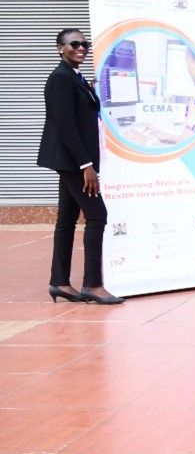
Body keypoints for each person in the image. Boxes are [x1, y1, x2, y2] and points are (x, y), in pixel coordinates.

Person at [38, 29, 122, 303]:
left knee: (66, 220)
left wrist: (91, 91)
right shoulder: (60, 78)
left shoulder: (74, 77)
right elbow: (65, 125)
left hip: (72, 160)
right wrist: (86, 165)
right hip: (74, 162)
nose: (82, 48)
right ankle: (92, 285)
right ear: (59, 47)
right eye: (75, 44)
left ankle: (59, 282)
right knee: (97, 216)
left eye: (85, 44)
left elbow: (82, 114)